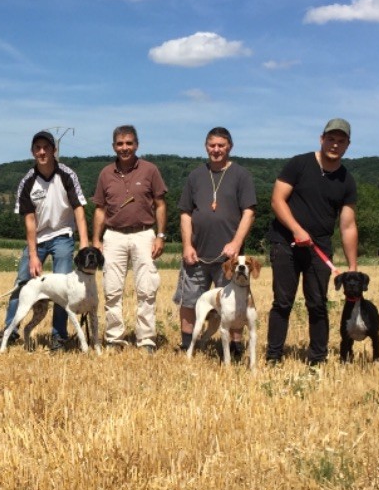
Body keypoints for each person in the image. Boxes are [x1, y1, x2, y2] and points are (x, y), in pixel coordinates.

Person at [266, 117, 359, 366]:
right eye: (331, 139)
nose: (335, 145)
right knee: (282, 302)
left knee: (317, 303)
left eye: (341, 141)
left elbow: (348, 225)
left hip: (320, 247)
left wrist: (353, 266)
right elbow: (277, 200)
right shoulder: (299, 164)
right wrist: (296, 229)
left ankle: (317, 359)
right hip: (286, 241)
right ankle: (273, 356)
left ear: (348, 145)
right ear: (322, 139)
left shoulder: (347, 180)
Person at [0, 130, 90, 351]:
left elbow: (79, 210)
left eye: (46, 147)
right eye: (37, 148)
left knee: (63, 285)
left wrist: (84, 244)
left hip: (63, 235)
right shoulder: (27, 181)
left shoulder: (67, 175)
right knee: (22, 281)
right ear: (32, 152)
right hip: (37, 239)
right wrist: (33, 256)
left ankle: (59, 336)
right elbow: (29, 221)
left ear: (54, 150)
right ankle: (10, 331)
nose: (42, 152)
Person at [173, 127, 256, 354]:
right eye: (212, 145)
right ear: (206, 146)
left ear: (230, 146)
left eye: (221, 145)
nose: (216, 150)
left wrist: (236, 243)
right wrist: (187, 245)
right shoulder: (196, 175)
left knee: (234, 304)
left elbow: (249, 212)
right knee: (189, 301)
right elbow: (185, 213)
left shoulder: (241, 175)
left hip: (228, 257)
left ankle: (234, 346)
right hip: (197, 253)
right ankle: (187, 344)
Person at [92, 125, 168, 352]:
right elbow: (99, 210)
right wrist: (97, 240)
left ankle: (146, 340)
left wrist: (161, 236)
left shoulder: (150, 170)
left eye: (129, 143)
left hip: (144, 234)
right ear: (113, 146)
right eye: (120, 144)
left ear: (137, 144)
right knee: (111, 290)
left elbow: (161, 204)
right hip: (113, 236)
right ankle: (115, 339)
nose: (124, 148)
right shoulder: (105, 173)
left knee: (146, 290)